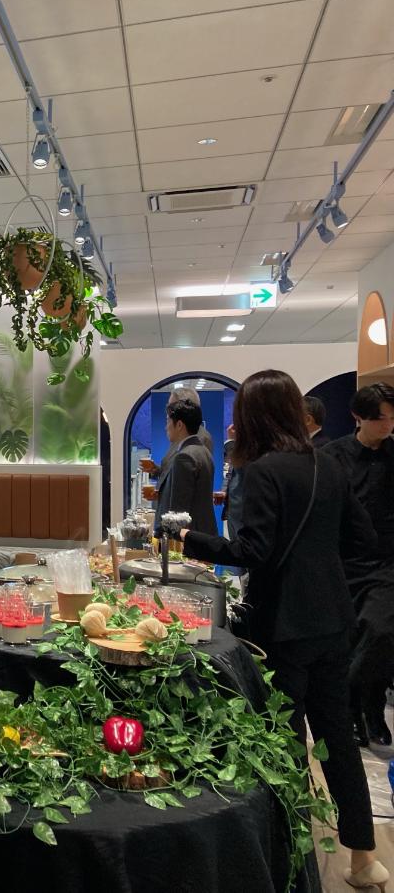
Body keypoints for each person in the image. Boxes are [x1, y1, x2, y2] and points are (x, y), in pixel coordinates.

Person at [181, 369, 386, 892]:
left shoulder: (260, 471)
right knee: (338, 740)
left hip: (283, 628)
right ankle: (363, 858)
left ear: (251, 416)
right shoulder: (329, 464)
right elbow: (362, 542)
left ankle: (292, 862)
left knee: (285, 743)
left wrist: (190, 539)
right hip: (332, 621)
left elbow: (253, 551)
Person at [323, 383, 394, 748]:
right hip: (344, 561)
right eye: (380, 418)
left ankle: (370, 705)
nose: (388, 425)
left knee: (381, 632)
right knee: (349, 639)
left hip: (387, 561)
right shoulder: (333, 456)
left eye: (392, 418)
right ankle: (355, 712)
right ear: (358, 417)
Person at [154, 397, 216, 536]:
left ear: (179, 425)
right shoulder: (203, 451)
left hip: (190, 537)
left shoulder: (184, 457)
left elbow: (178, 514)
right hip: (204, 532)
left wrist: (164, 538)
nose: (166, 427)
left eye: (168, 421)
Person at [140, 387, 213, 478]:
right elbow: (173, 471)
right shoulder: (181, 437)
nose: (168, 409)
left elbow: (190, 477)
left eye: (171, 405)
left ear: (185, 406)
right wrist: (156, 470)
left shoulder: (201, 438)